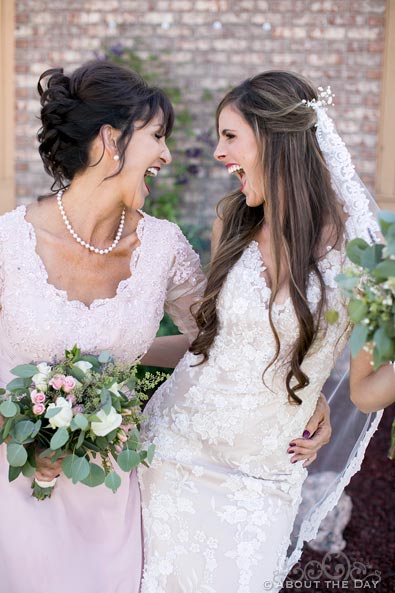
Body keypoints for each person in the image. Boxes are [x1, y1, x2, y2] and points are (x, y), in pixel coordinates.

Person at [0, 61, 329, 593]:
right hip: (12, 483)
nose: (167, 155)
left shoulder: (163, 248)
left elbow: (224, 343)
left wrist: (309, 390)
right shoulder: (7, 243)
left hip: (110, 495)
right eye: (157, 137)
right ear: (111, 139)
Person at [138, 71, 382, 593]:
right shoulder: (234, 221)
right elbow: (209, 344)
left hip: (262, 478)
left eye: (230, 135)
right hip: (173, 450)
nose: (219, 152)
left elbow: (365, 392)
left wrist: (312, 391)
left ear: (272, 136)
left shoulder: (357, 257)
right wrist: (113, 355)